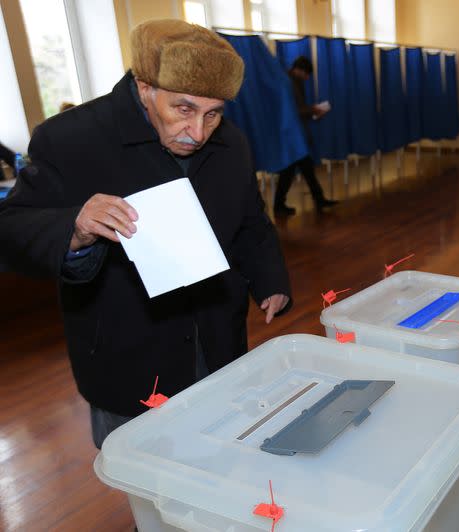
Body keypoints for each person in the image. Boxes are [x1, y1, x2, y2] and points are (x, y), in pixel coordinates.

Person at [0, 19, 292, 448]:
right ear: (144, 87)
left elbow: (251, 220)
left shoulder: (231, 143)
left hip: (217, 338)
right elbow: (10, 226)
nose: (198, 133)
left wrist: (270, 280)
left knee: (222, 456)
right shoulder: (70, 139)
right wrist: (75, 227)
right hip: (127, 349)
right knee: (146, 476)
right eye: (184, 109)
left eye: (213, 113)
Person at [274, 56, 338, 216]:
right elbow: (296, 110)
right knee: (291, 171)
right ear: (299, 70)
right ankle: (280, 205)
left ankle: (317, 199)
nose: (307, 77)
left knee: (302, 169)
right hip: (292, 136)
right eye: (307, 74)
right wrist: (314, 110)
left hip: (293, 135)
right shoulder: (289, 83)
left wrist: (312, 112)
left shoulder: (291, 81)